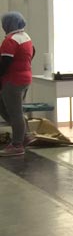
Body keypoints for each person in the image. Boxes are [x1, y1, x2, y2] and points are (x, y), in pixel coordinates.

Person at [0, 12, 35, 156]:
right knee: (8, 109)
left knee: (15, 113)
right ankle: (24, 135)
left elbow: (5, 64)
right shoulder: (25, 37)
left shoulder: (11, 40)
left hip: (12, 81)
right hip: (24, 79)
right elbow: (33, 53)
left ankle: (17, 145)